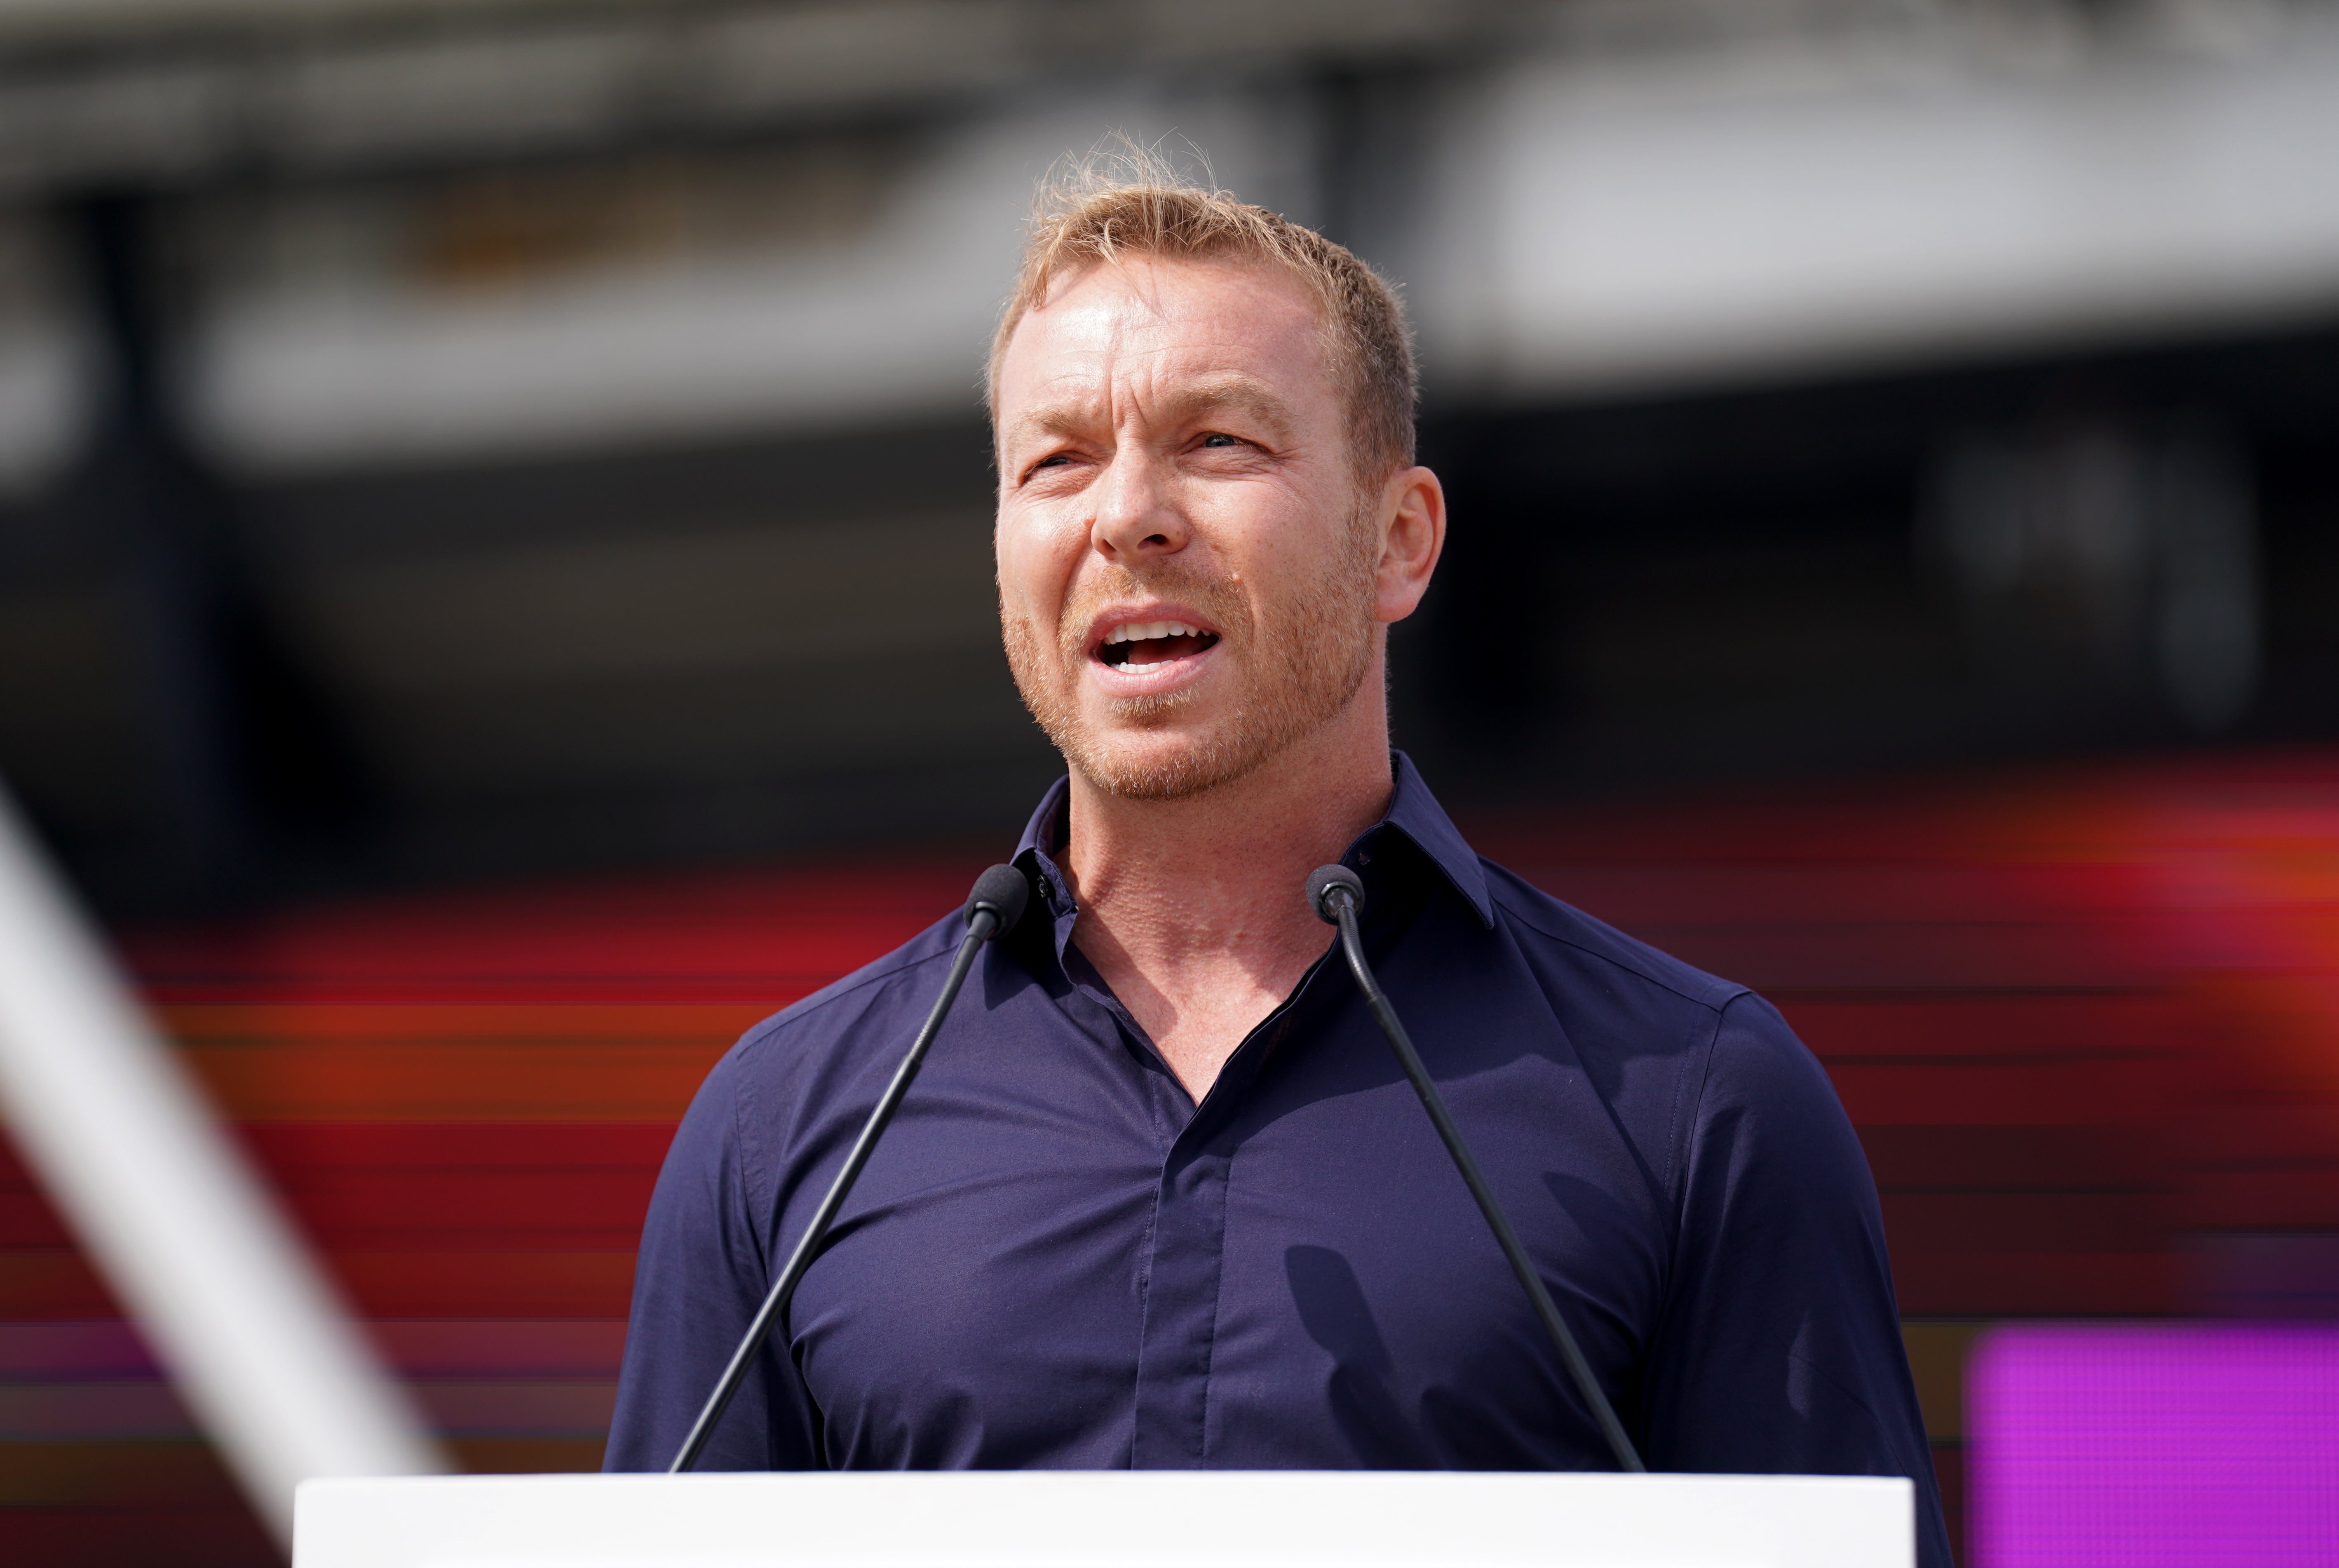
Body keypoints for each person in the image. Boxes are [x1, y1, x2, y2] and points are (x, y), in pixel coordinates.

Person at [605, 162, 1950, 1568]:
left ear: (1399, 540)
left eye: (1218, 443)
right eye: (1055, 460)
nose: (1125, 515)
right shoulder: (785, 1128)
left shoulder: (1699, 1102)